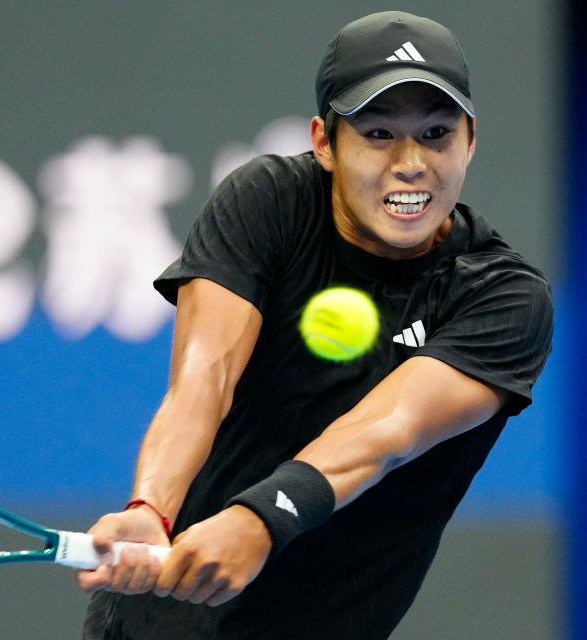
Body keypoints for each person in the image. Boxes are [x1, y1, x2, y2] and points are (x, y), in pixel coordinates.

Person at [78, 10, 554, 640]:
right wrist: (150, 506)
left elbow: (388, 432)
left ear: (470, 141)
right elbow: (201, 383)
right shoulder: (269, 202)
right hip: (152, 625)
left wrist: (259, 519)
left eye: (436, 133)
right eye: (378, 133)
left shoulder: (503, 297)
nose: (411, 162)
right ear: (324, 143)